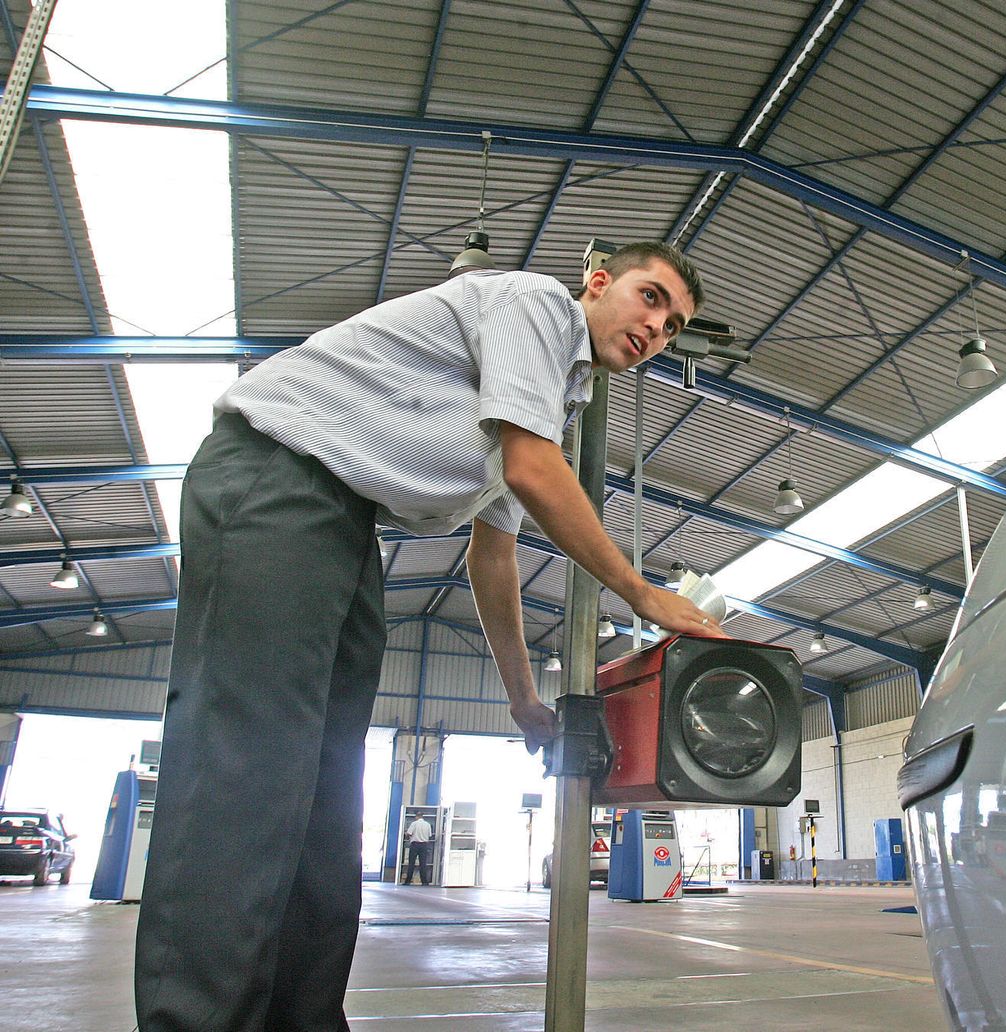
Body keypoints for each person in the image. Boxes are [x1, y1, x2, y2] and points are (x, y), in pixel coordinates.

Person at [134, 241, 727, 1031]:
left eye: (675, 325)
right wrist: (641, 591)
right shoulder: (533, 307)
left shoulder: (557, 399)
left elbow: (495, 556)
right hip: (276, 475)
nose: (658, 328)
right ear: (597, 282)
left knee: (325, 791)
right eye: (651, 299)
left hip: (342, 521)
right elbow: (529, 470)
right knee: (248, 766)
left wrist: (523, 701)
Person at [401, 814, 434, 886]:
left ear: (417, 817)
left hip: (415, 845)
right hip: (424, 845)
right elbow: (429, 835)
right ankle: (424, 882)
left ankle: (408, 881)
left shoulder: (414, 824)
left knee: (411, 863)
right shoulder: (427, 824)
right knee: (423, 864)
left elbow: (409, 833)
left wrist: (406, 834)